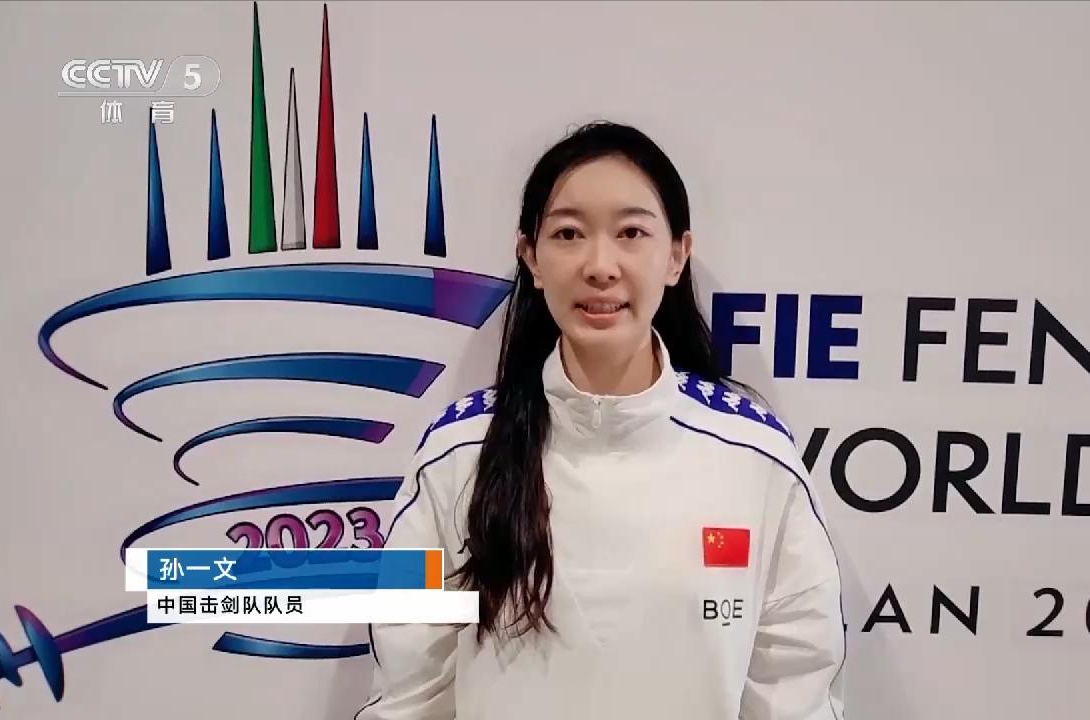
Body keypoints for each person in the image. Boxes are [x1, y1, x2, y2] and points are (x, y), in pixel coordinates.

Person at [357, 121, 846, 719]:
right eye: (568, 233)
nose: (600, 265)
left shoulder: (754, 457)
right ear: (531, 258)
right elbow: (412, 688)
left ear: (676, 256)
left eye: (631, 232)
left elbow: (794, 686)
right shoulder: (458, 454)